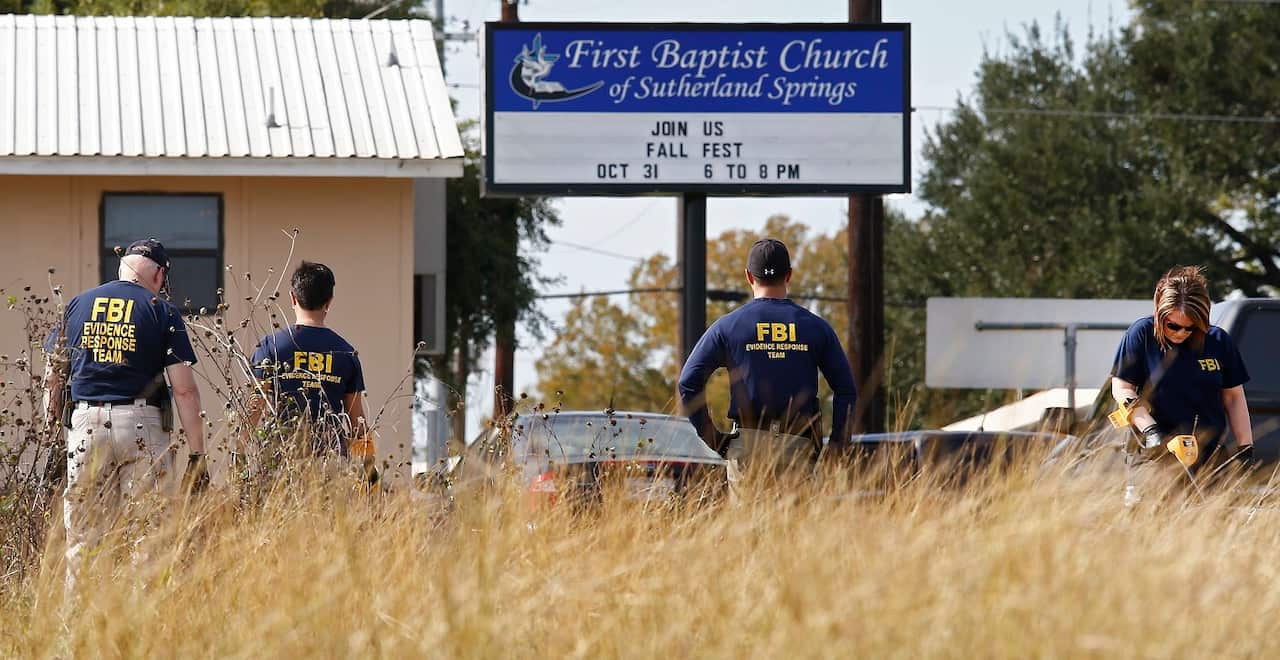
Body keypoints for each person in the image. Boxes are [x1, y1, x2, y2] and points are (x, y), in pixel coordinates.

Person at [42, 238, 206, 585]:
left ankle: (76, 632)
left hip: (85, 424)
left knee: (83, 541)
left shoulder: (78, 305)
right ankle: (140, 630)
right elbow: (184, 390)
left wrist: (54, 430)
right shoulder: (161, 310)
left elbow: (53, 377)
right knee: (145, 538)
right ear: (159, 274)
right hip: (141, 426)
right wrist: (197, 451)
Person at [678, 238, 858, 479]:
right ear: (789, 275)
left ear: (749, 277)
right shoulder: (816, 328)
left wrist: (714, 439)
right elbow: (846, 390)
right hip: (799, 445)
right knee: (795, 518)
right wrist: (838, 445)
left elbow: (688, 382)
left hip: (746, 446)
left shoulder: (728, 327)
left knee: (747, 518)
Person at [1111, 265, 1253, 495]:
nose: (1181, 333)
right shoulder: (1141, 334)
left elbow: (1234, 397)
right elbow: (1122, 388)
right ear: (1159, 311)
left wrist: (1245, 448)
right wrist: (1151, 431)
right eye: (1173, 326)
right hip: (1154, 454)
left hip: (1210, 457)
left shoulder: (1218, 342)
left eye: (1190, 328)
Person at [247, 261, 372, 480]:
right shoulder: (346, 353)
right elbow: (357, 422)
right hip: (330, 465)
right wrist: (370, 471)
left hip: (280, 461)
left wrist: (237, 455)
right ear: (329, 302)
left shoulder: (270, 347)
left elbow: (253, 409)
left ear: (292, 297)